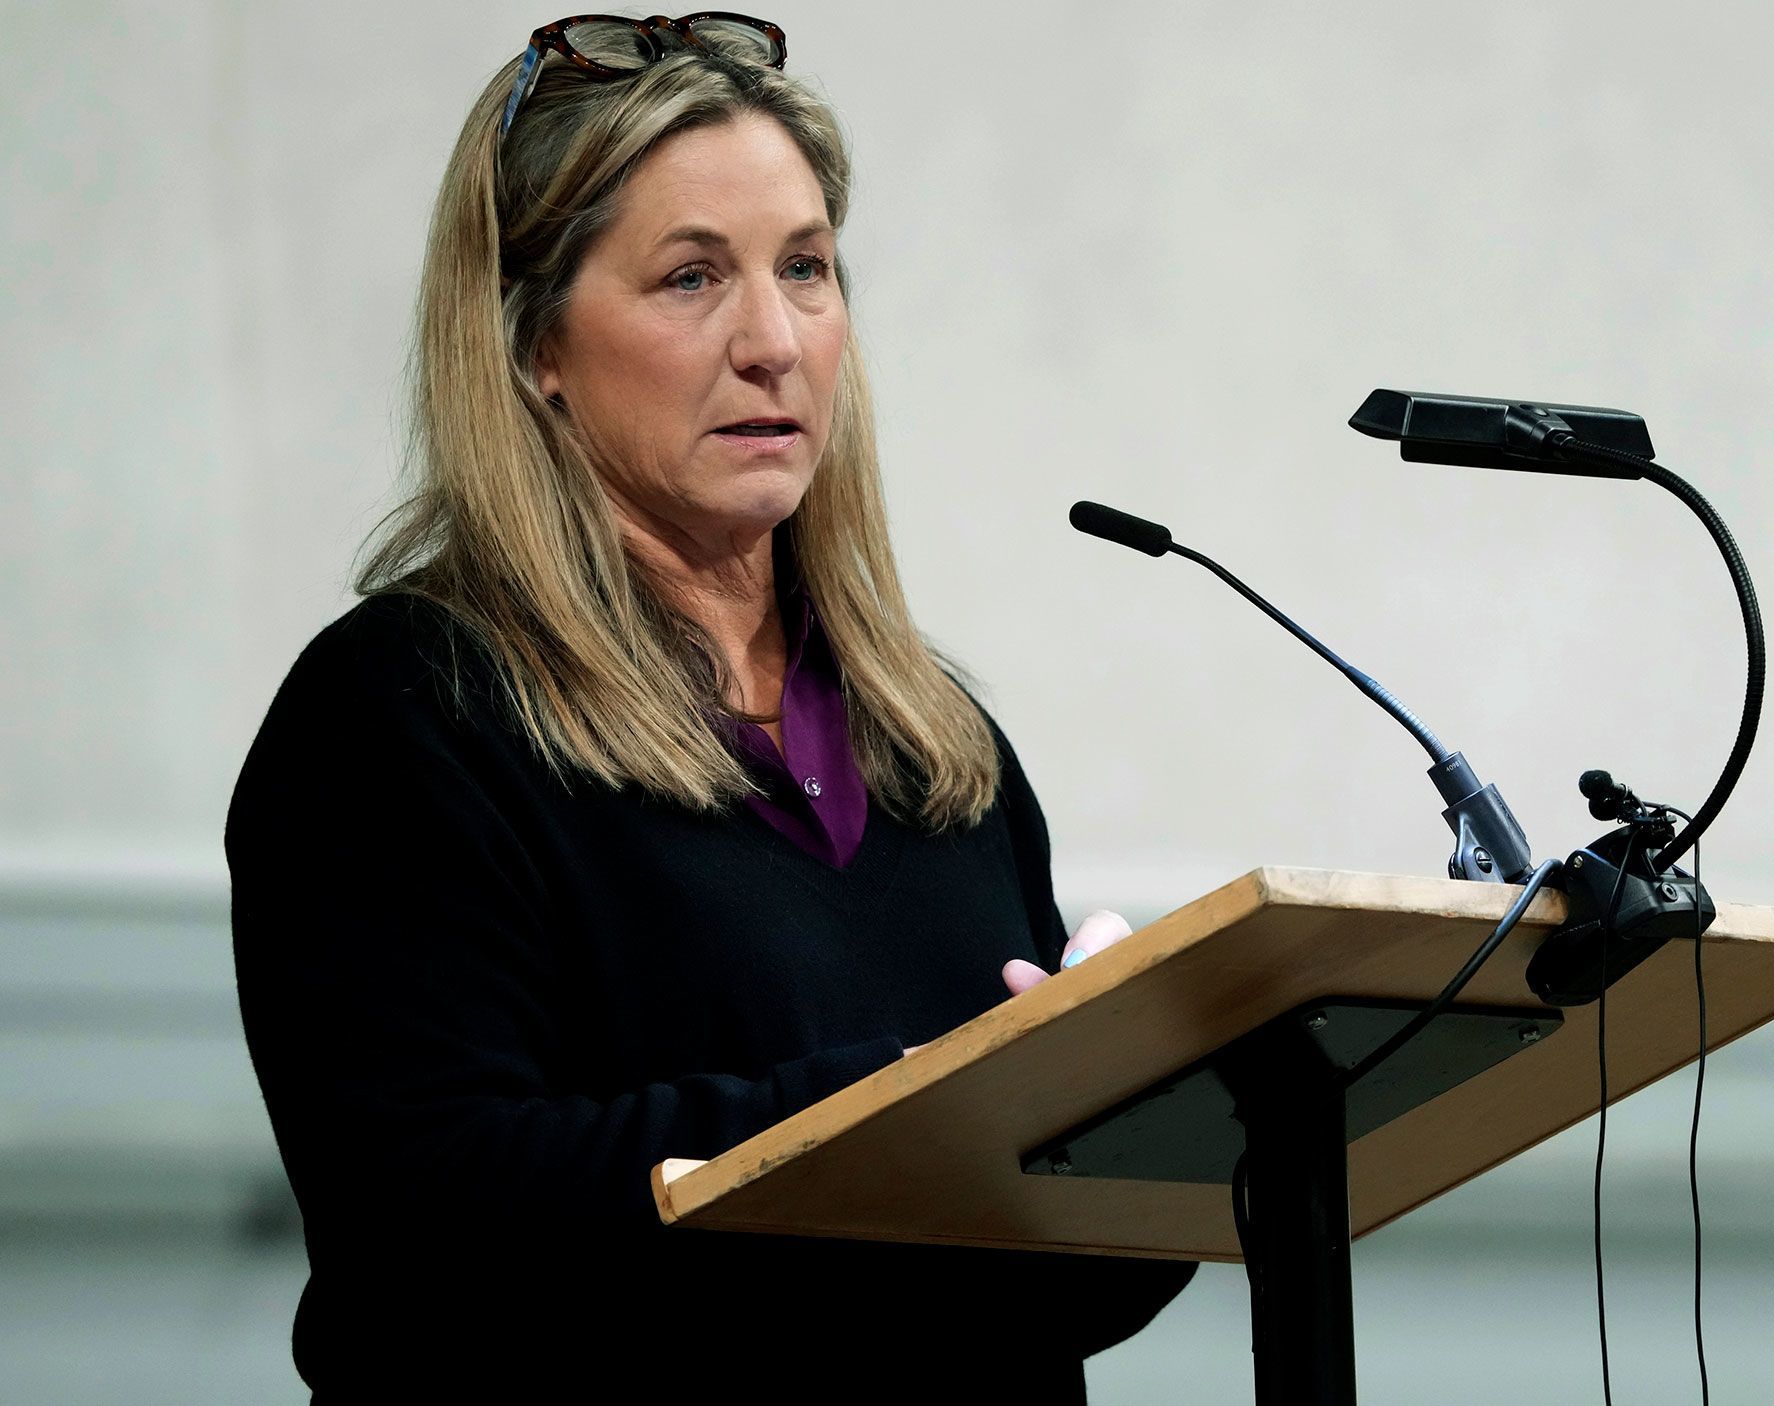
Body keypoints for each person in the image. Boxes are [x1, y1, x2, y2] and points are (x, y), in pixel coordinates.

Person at [225, 15, 1193, 1399]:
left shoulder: (932, 741)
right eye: (691, 277)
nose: (773, 340)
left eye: (806, 268)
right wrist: (915, 1108)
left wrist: (1133, 1105)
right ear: (531, 344)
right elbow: (428, 1221)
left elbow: (1057, 1286)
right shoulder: (402, 716)